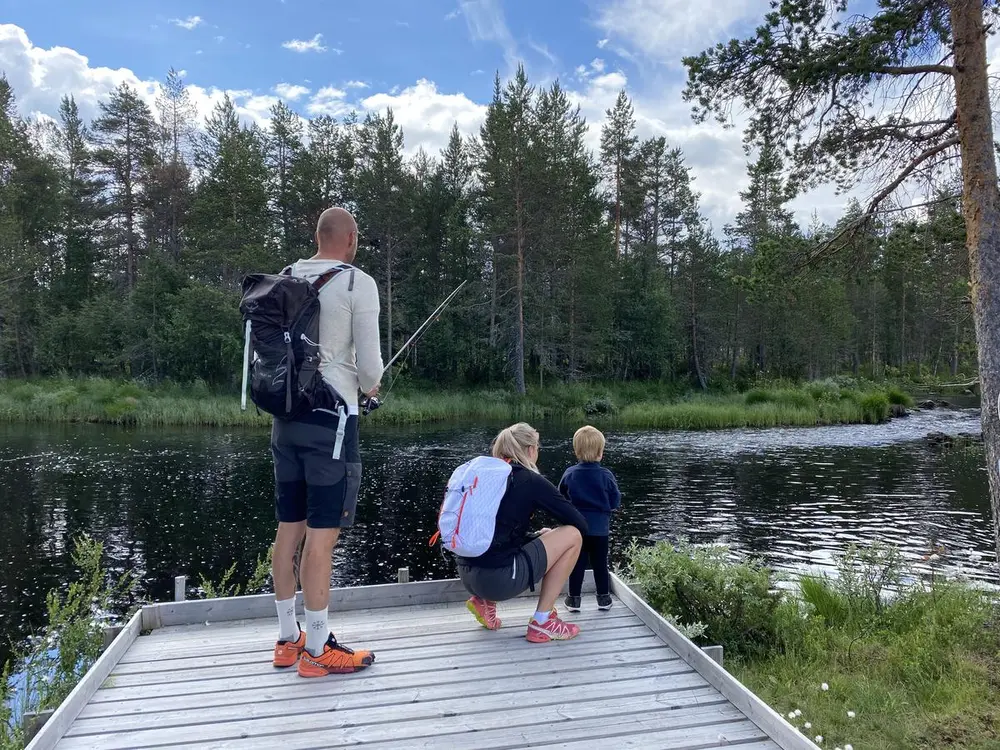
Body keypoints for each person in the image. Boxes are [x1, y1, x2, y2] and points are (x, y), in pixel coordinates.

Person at [269, 207, 383, 678]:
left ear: (317, 237)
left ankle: (286, 640)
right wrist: (370, 388)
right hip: (332, 421)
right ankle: (318, 651)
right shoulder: (359, 283)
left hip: (286, 418)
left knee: (287, 530)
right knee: (322, 538)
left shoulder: (287, 277)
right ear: (351, 238)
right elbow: (372, 370)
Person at [455, 423, 588, 643]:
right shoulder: (529, 480)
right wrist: (554, 534)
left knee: (522, 542)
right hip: (498, 581)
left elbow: (495, 533)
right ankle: (542, 622)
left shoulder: (483, 477)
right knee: (573, 536)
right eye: (537, 446)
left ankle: (484, 602)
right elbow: (580, 524)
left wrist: (539, 537)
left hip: (467, 576)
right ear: (529, 450)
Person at [559, 425, 621, 612]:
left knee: (576, 565)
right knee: (600, 565)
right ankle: (604, 599)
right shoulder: (606, 475)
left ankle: (574, 600)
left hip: (577, 530)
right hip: (600, 530)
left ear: (576, 451)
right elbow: (615, 500)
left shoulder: (570, 473)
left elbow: (560, 498)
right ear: (600, 453)